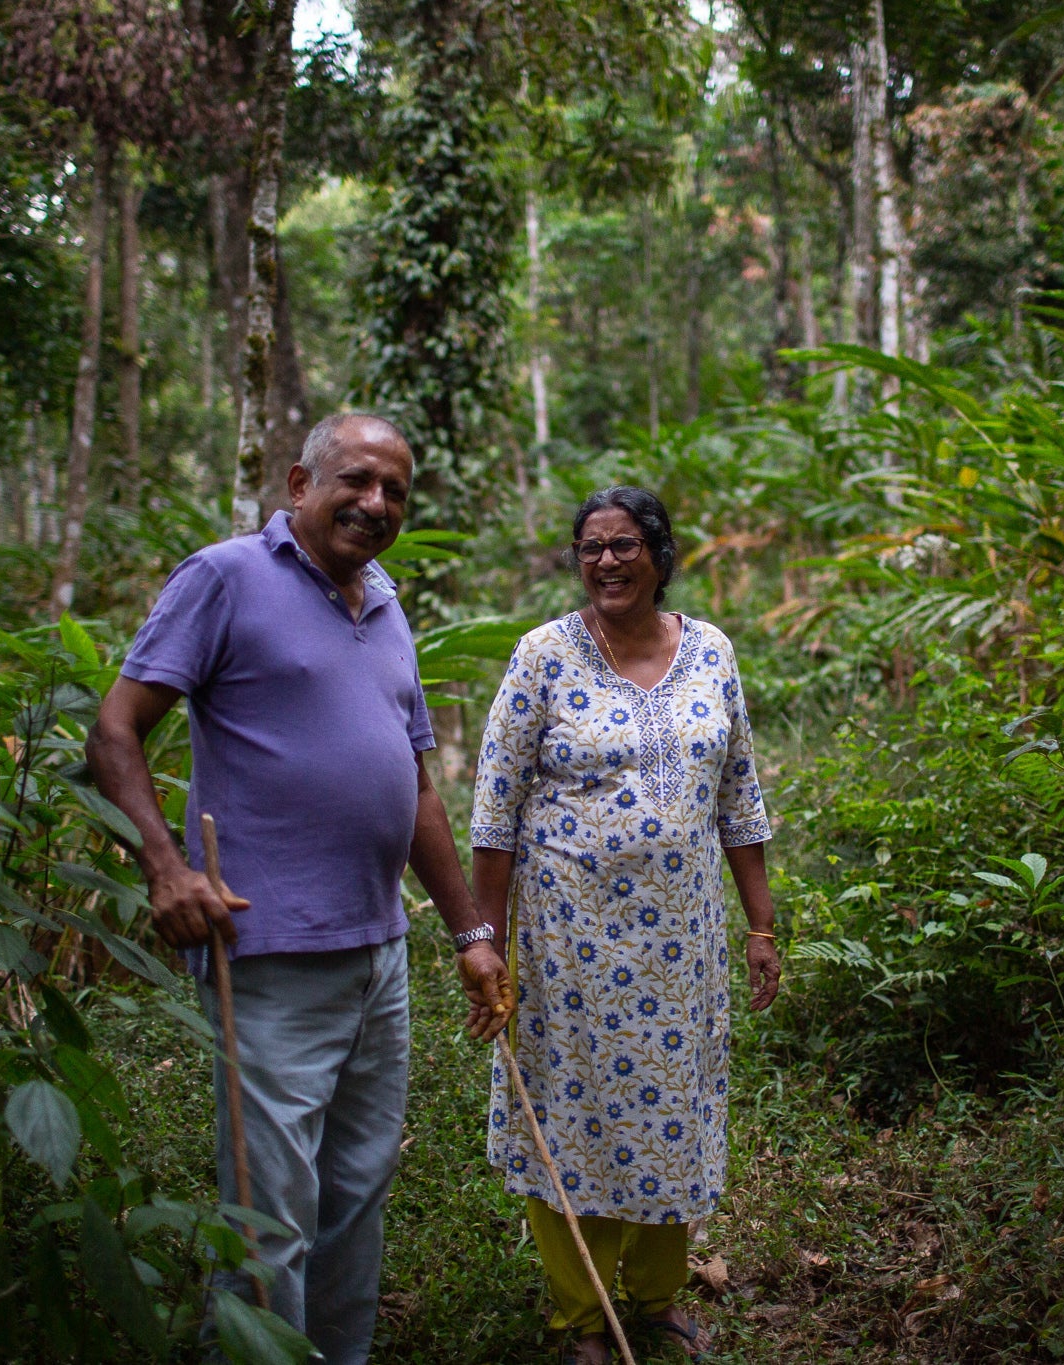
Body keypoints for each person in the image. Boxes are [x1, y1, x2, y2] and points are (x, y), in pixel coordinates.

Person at [85, 413, 512, 1363]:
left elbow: (414, 787)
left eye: (395, 490)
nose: (376, 503)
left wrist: (470, 930)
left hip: (378, 954)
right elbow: (116, 729)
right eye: (357, 481)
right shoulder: (226, 576)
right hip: (268, 950)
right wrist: (167, 868)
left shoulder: (387, 603)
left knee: (356, 1194)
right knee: (269, 1211)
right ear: (298, 484)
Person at [465, 485, 783, 1364]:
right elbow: (493, 813)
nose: (606, 561)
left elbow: (740, 798)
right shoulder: (543, 657)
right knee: (575, 1112)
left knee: (673, 1110)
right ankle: (581, 1313)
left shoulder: (711, 652)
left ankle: (656, 1296)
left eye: (624, 544)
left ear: (659, 552)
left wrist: (760, 926)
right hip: (571, 938)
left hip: (683, 944)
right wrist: (482, 941)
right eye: (590, 547)